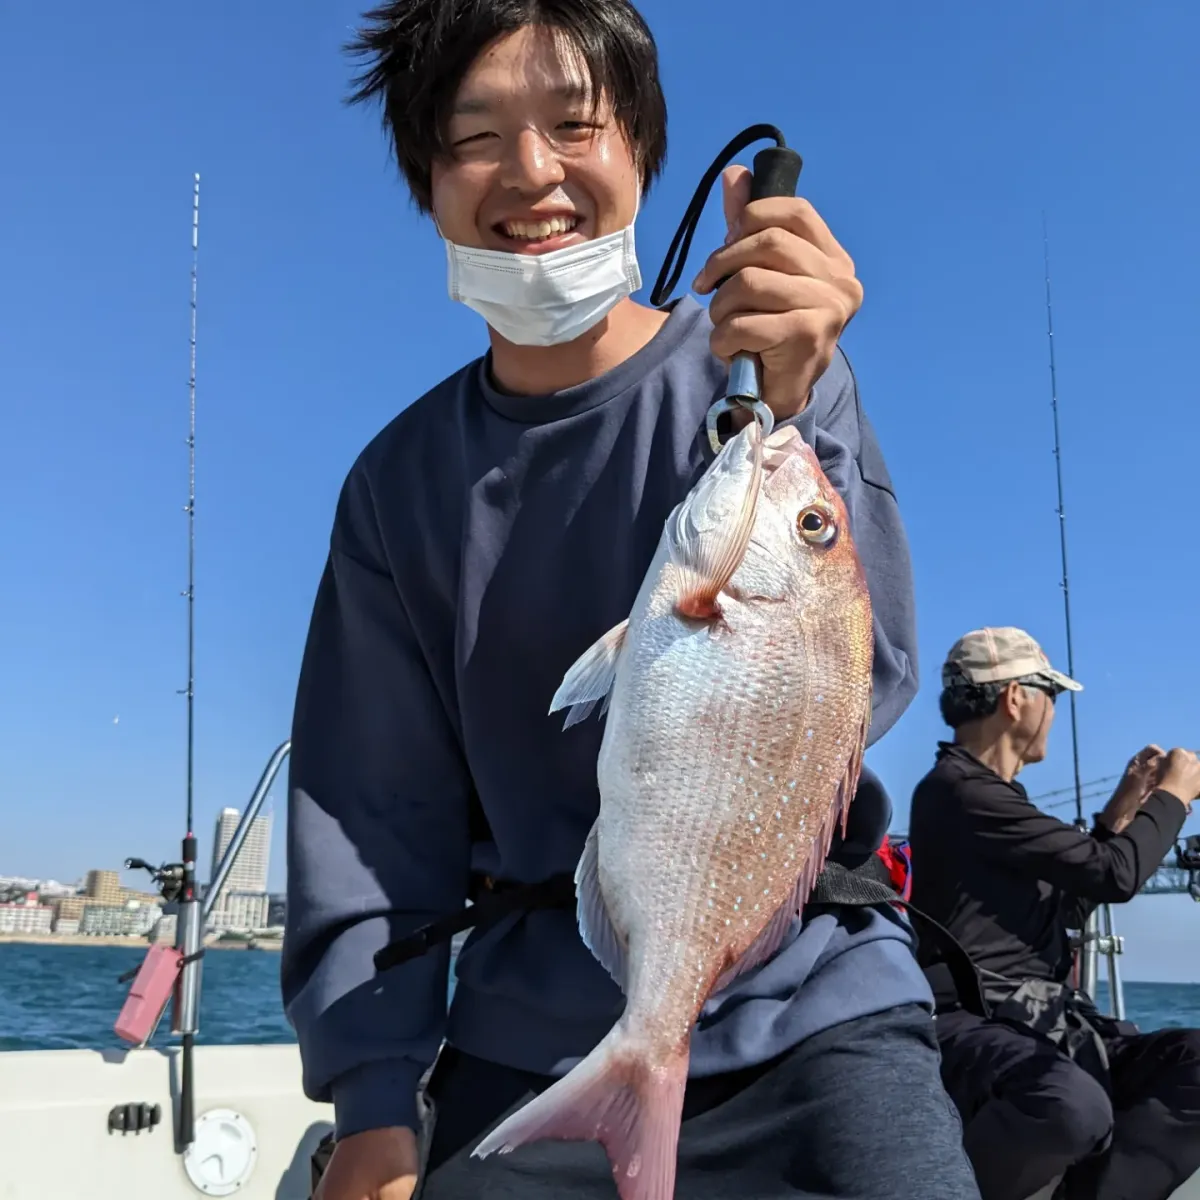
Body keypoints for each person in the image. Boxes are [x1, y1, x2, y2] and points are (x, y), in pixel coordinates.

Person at [282, 1, 982, 1196]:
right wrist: (372, 1099)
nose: (533, 171)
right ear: (428, 179)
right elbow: (369, 803)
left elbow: (861, 683)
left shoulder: (769, 373)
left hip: (806, 1005)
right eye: (477, 136)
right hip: (528, 1031)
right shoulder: (399, 485)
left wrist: (801, 397)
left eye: (574, 124)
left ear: (643, 152)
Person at [908, 625, 1200, 1200]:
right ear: (1017, 697)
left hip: (1041, 1020)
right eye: (1053, 695)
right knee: (1068, 1106)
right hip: (975, 1021)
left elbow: (1070, 904)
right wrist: (1174, 797)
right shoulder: (959, 791)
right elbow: (1117, 876)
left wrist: (1120, 811)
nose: (1054, 711)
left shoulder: (991, 801)